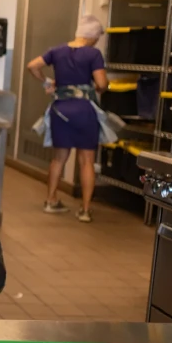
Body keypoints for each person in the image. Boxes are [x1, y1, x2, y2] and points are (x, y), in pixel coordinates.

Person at [26, 15, 109, 223]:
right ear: (92, 37)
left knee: (58, 158)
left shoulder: (57, 51)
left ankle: (51, 200)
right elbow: (102, 83)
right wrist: (96, 87)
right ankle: (85, 210)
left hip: (60, 109)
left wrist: (48, 81)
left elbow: (32, 66)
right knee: (87, 160)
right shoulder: (94, 54)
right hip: (83, 111)